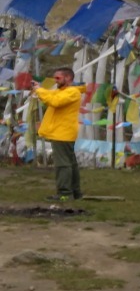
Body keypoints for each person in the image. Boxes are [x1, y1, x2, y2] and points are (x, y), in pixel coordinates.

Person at [31, 66, 83, 201]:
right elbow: (52, 95)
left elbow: (55, 101)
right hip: (62, 133)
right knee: (70, 163)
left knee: (63, 164)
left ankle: (65, 193)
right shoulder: (63, 91)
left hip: (63, 133)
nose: (55, 80)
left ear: (68, 78)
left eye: (58, 78)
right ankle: (75, 192)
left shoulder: (72, 92)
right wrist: (39, 88)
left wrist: (39, 90)